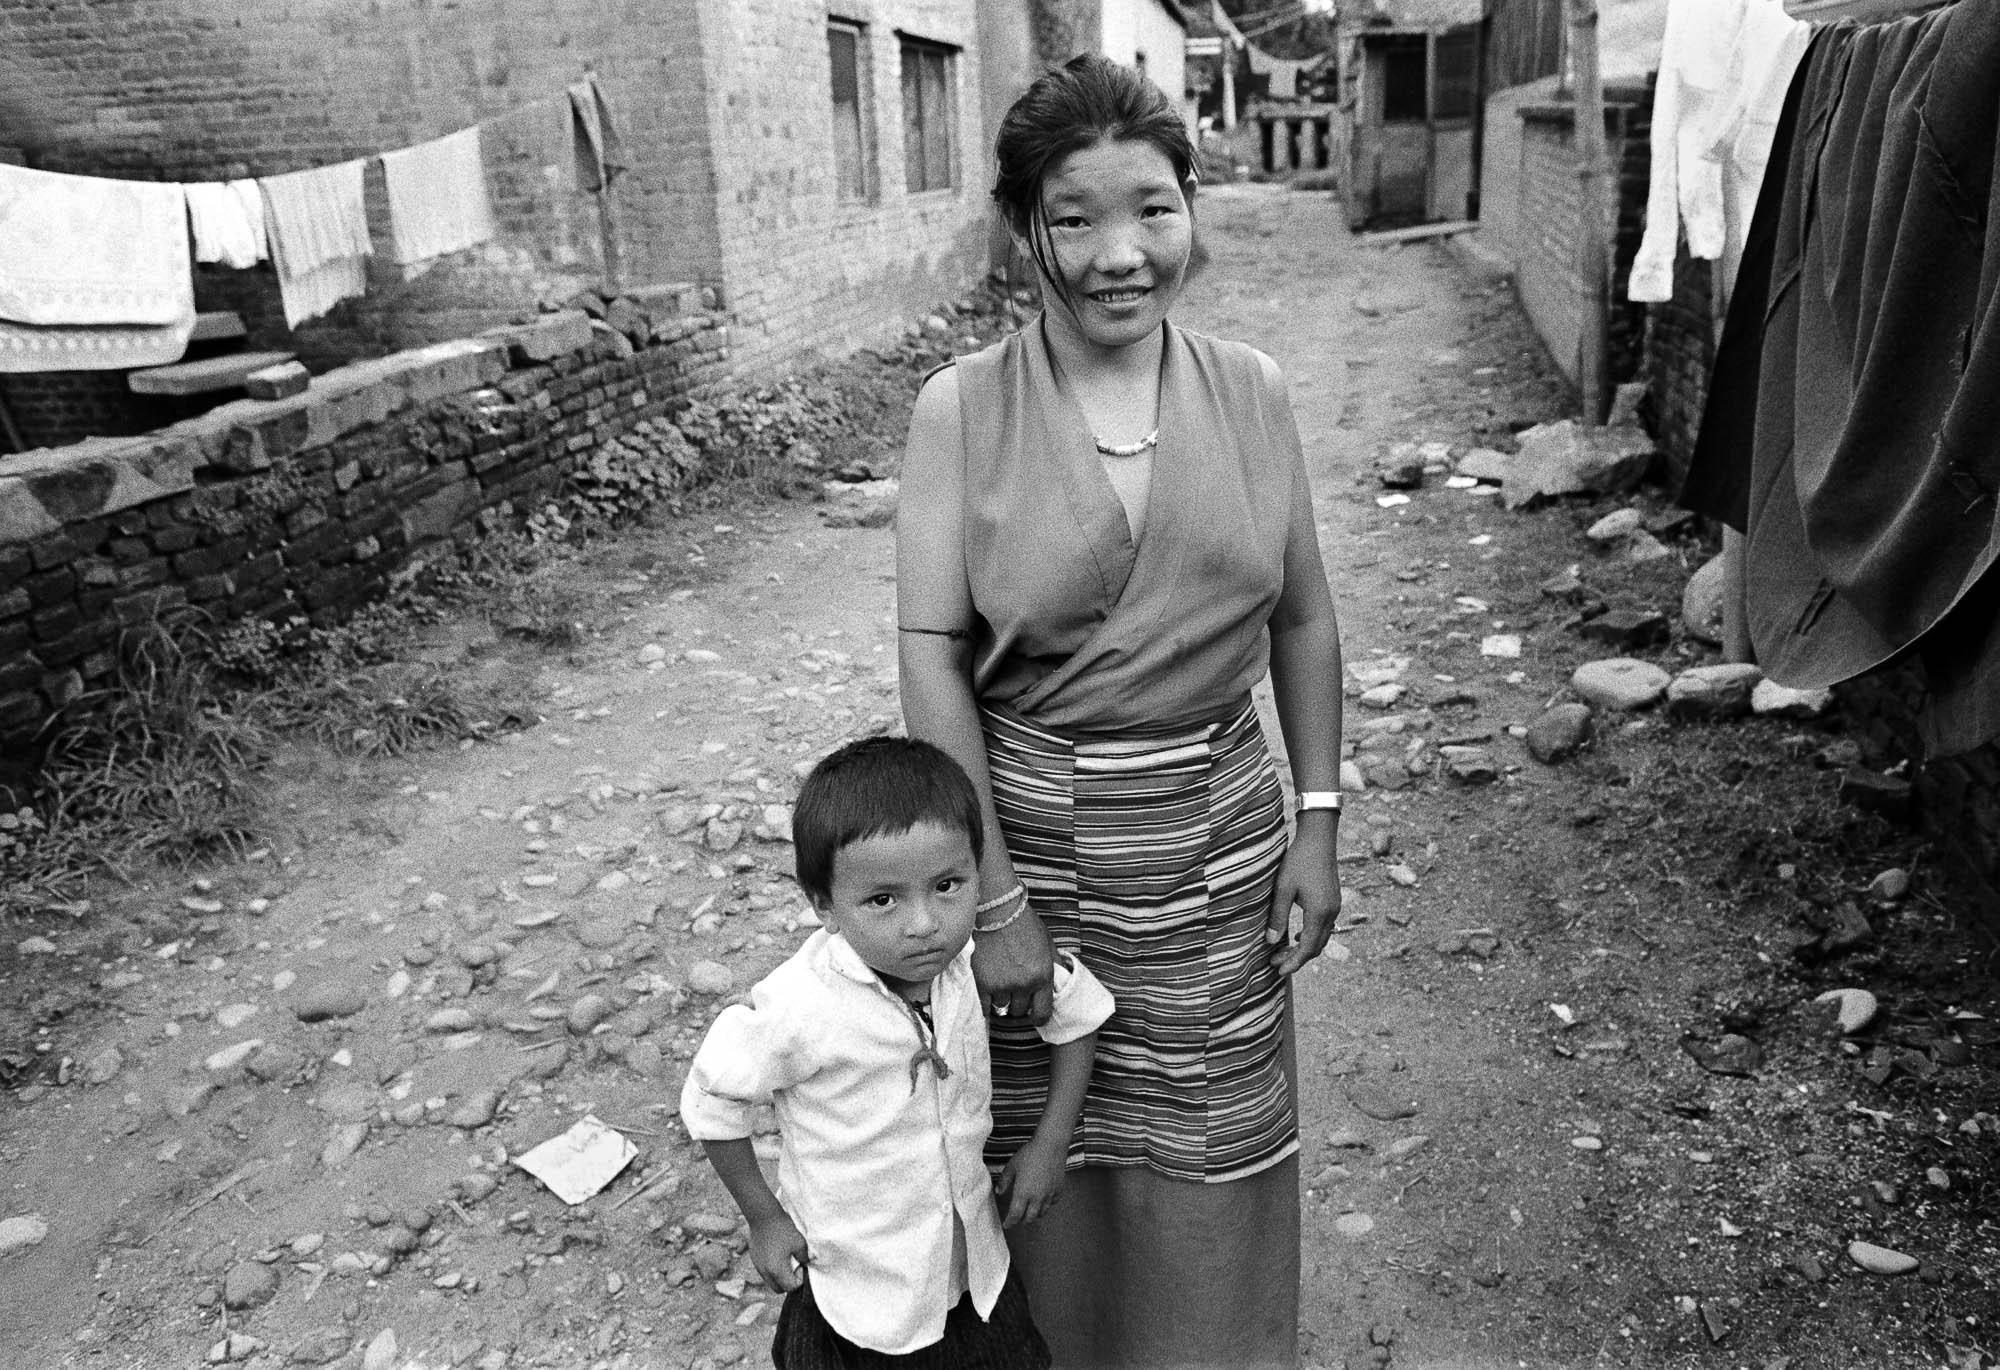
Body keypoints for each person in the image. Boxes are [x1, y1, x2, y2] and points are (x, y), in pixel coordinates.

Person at [895, 53, 1346, 1370]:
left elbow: (1304, 615)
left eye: (1150, 209)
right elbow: (930, 656)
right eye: (1075, 217)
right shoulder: (962, 410)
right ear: (1024, 227)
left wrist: (1318, 821)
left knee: (1214, 1143)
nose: (1117, 254)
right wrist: (991, 901)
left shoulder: (1252, 389)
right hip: (1028, 842)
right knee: (1052, 1141)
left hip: (1218, 842)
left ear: (1190, 211)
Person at [680, 737, 1115, 1370]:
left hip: (974, 1275)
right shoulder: (798, 1006)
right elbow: (712, 1102)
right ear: (825, 906)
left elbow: (1078, 1013)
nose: (924, 924)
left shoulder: (978, 963)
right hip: (855, 1290)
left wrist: (1050, 1144)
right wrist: (764, 1219)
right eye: (883, 899)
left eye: (947, 885)